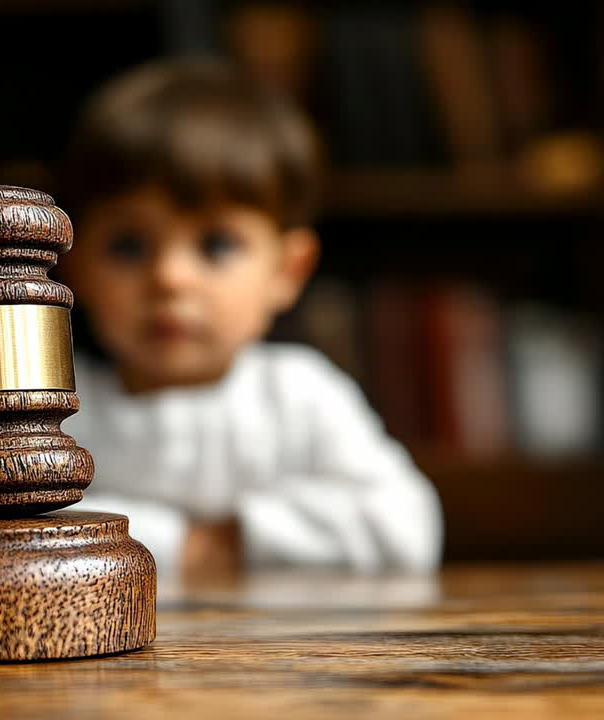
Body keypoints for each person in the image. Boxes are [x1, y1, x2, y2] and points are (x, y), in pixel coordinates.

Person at [58, 60, 442, 588]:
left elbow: (407, 526)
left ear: (288, 270)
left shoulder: (301, 393)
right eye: (128, 246)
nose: (169, 278)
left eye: (216, 245)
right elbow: (2, 534)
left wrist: (225, 540)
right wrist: (183, 544)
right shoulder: (56, 407)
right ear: (74, 266)